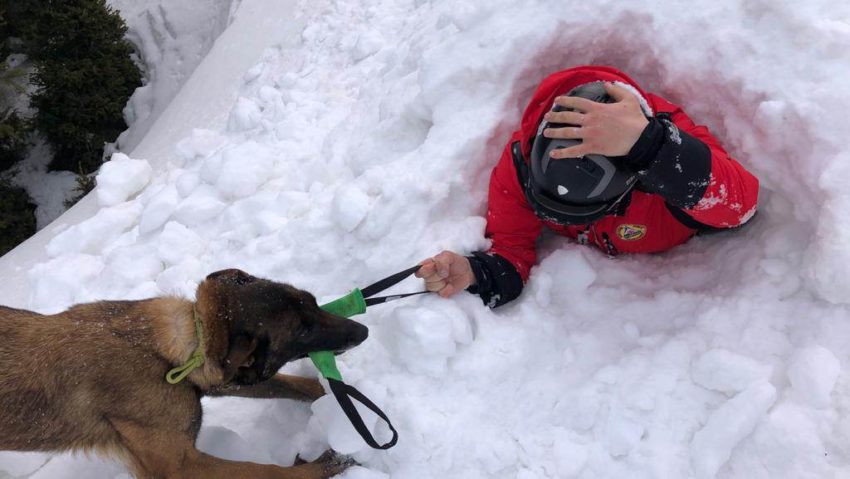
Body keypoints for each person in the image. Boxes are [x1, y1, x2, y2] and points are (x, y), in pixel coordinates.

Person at [415, 65, 759, 308]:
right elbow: (510, 249)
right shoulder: (520, 166)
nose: (573, 224)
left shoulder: (666, 158)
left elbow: (739, 208)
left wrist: (651, 147)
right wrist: (476, 272)